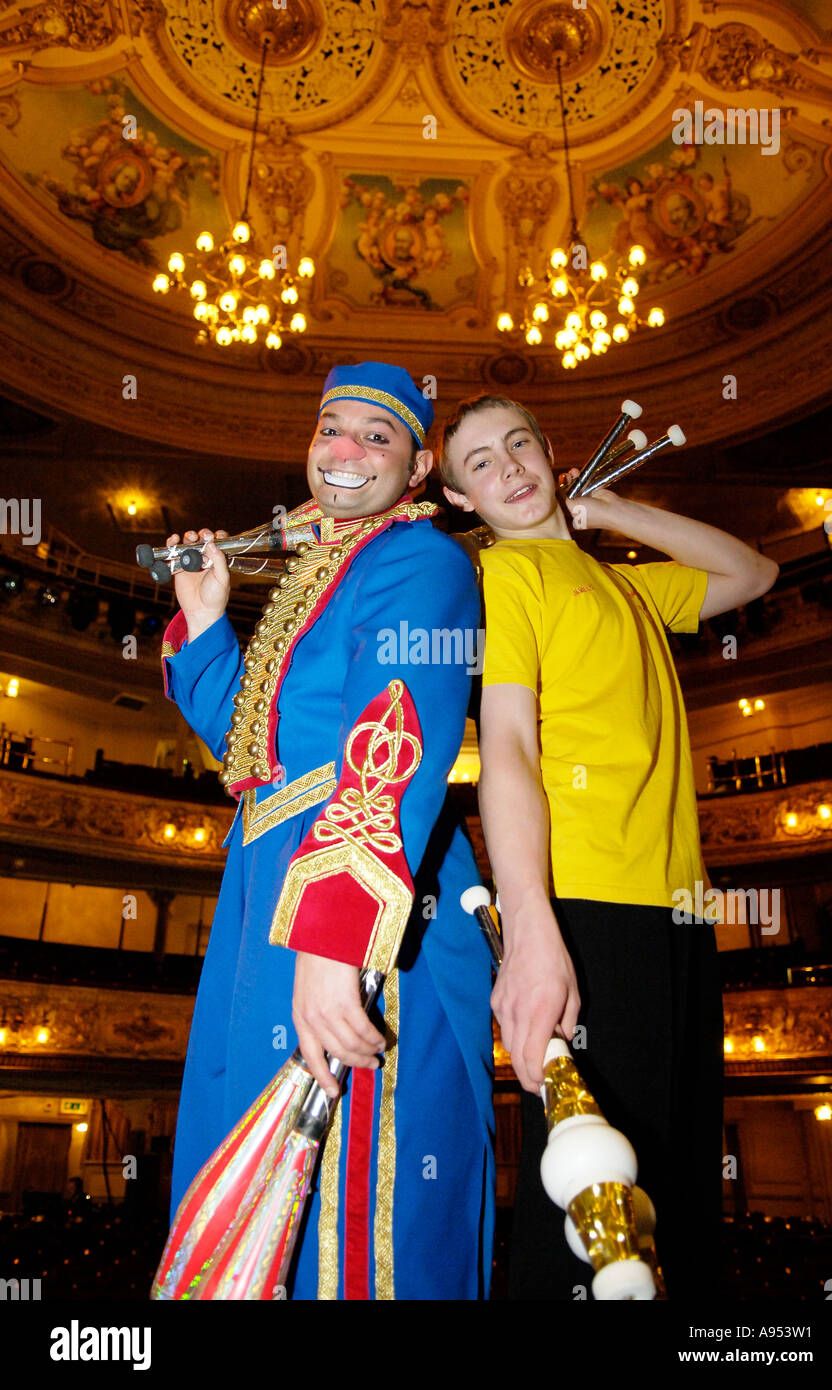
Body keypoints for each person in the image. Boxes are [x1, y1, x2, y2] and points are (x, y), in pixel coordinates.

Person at [160, 363, 494, 1300]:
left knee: (354, 1200)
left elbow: (394, 731)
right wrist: (206, 619)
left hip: (349, 888)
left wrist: (335, 936)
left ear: (420, 466)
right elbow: (252, 752)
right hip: (266, 877)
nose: (344, 452)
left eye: (376, 438)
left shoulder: (418, 560)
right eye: (329, 430)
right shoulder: (322, 570)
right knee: (256, 1172)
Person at [436, 394, 779, 1299]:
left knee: (671, 1193)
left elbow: (752, 573)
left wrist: (613, 512)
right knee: (588, 1198)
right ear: (461, 499)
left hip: (675, 913)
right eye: (479, 463)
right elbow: (505, 746)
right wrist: (532, 922)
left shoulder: (625, 582)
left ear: (550, 454)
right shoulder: (504, 577)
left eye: (518, 445)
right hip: (586, 907)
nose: (507, 467)